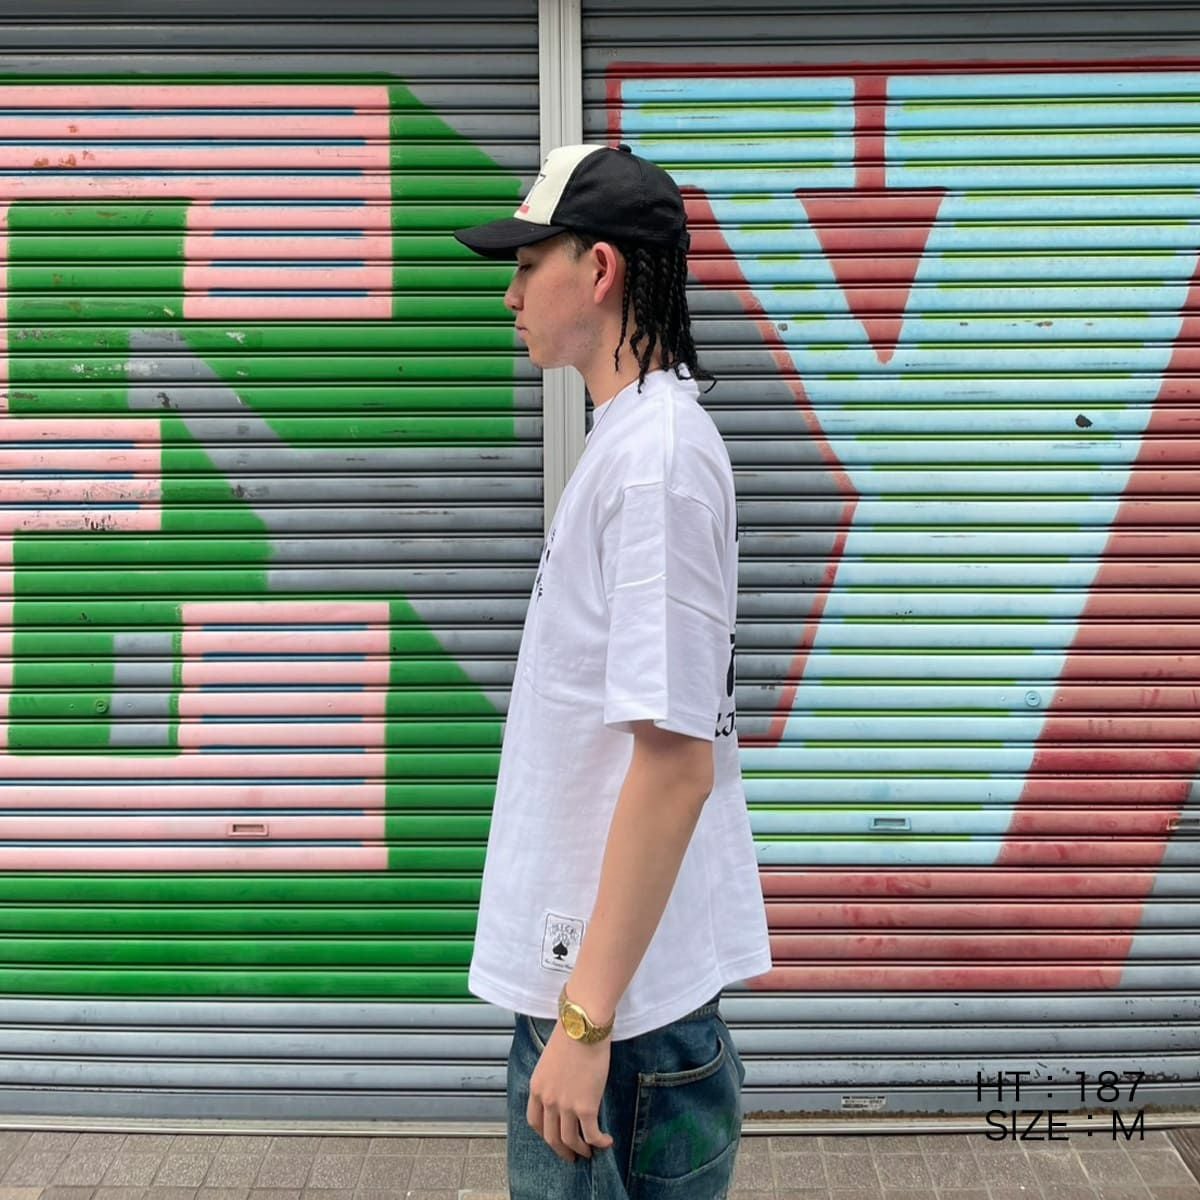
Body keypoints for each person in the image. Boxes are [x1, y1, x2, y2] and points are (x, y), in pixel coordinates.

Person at [454, 143, 772, 1200]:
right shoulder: (635, 443)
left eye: (524, 265)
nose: (509, 296)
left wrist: (585, 1023)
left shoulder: (655, 463)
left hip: (617, 1025)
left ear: (598, 270)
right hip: (608, 1001)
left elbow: (677, 766)